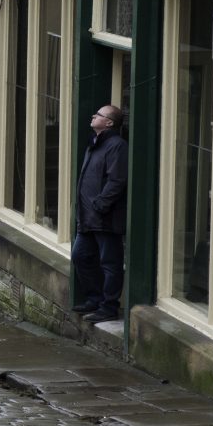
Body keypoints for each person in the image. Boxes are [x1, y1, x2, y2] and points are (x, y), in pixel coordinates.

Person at [71, 105, 128, 324]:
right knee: (80, 256)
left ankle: (109, 306)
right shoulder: (94, 145)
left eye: (99, 114)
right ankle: (95, 298)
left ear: (109, 123)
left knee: (110, 263)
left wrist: (101, 204)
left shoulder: (117, 146)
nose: (94, 115)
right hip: (87, 218)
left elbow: (117, 180)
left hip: (105, 218)